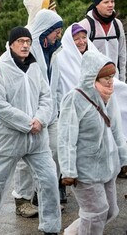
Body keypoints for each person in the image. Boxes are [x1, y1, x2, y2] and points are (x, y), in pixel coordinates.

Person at [0, 27, 61, 235]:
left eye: (27, 41)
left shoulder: (36, 66)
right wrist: (28, 123)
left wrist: (41, 119)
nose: (25, 45)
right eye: (20, 41)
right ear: (11, 44)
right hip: (10, 138)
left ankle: (51, 227)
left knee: (49, 180)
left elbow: (47, 97)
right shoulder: (0, 69)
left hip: (38, 139)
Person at [58, 52, 127, 234]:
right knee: (96, 213)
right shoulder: (74, 99)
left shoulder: (108, 98)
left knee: (110, 211)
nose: (110, 81)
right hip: (85, 170)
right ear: (93, 77)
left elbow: (117, 131)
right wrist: (69, 171)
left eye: (112, 77)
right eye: (105, 78)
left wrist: (124, 159)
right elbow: (66, 138)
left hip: (107, 167)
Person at [79, 0, 125, 81]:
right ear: (96, 4)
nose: (110, 5)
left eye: (112, 1)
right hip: (93, 81)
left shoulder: (117, 24)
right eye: (106, 2)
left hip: (115, 81)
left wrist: (122, 80)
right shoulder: (85, 25)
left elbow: (122, 54)